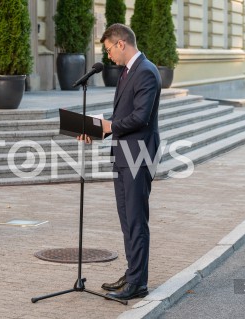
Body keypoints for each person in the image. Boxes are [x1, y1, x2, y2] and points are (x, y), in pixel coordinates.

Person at [99, 23, 162, 300]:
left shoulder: (146, 72)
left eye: (109, 49)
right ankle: (132, 272)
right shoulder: (127, 72)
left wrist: (108, 127)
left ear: (121, 43)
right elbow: (123, 116)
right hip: (124, 155)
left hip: (139, 156)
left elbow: (140, 117)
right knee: (127, 220)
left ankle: (138, 283)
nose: (108, 56)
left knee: (136, 220)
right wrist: (96, 131)